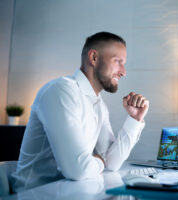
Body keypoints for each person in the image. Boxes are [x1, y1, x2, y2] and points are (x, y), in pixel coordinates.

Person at [11, 32, 149, 192]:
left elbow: (111, 164)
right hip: (33, 195)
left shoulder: (98, 104)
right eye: (118, 62)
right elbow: (77, 170)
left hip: (67, 192)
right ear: (94, 58)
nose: (123, 72)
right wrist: (99, 162)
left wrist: (134, 119)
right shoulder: (60, 91)